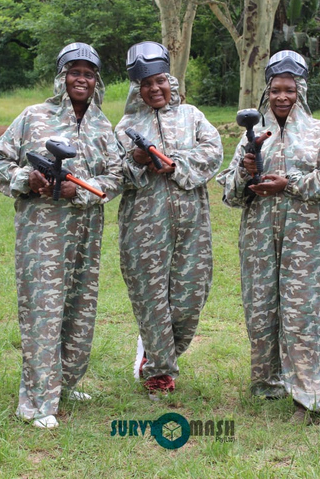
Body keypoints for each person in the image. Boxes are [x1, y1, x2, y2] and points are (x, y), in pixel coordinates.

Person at [0, 43, 123, 429]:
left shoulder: (101, 124)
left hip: (85, 233)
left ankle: (65, 381)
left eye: (89, 73)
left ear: (96, 80)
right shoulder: (34, 117)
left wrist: (77, 190)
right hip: (41, 233)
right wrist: (26, 179)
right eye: (74, 71)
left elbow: (114, 178)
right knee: (43, 311)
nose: (81, 79)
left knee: (80, 307)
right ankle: (36, 402)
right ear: (61, 76)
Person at [217, 50, 320, 424]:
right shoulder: (254, 135)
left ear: (301, 91)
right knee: (261, 311)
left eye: (289, 90)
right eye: (275, 90)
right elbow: (230, 193)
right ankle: (267, 384)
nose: (282, 97)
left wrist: (288, 184)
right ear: (266, 92)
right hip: (258, 242)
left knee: (303, 315)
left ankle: (309, 399)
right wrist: (245, 172)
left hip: (304, 244)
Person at [115, 41, 223, 399]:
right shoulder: (126, 126)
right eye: (146, 84)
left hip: (192, 225)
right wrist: (138, 162)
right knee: (150, 298)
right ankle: (158, 371)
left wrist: (174, 163)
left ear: (170, 81)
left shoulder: (192, 116)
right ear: (137, 89)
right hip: (144, 228)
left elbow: (213, 152)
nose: (154, 89)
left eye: (159, 80)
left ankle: (155, 348)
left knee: (190, 297)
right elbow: (114, 173)